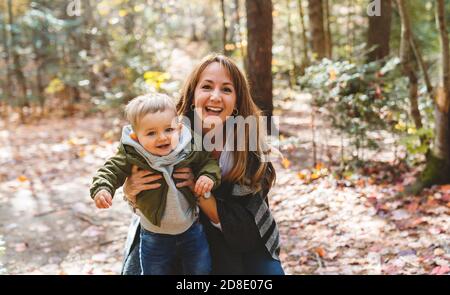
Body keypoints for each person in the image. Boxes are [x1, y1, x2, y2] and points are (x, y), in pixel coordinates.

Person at [121, 54, 284, 275]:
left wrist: (199, 191)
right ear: (192, 95)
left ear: (237, 101)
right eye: (207, 87)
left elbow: (247, 229)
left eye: (226, 89)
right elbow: (137, 184)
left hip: (237, 230)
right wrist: (130, 191)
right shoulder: (166, 132)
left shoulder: (248, 148)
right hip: (169, 225)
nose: (215, 96)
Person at [90, 93, 221, 275]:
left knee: (200, 269)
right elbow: (110, 170)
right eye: (151, 133)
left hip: (191, 228)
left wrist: (208, 176)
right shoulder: (132, 153)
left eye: (169, 130)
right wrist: (102, 187)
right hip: (154, 234)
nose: (162, 138)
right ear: (136, 137)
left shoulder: (188, 146)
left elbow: (208, 162)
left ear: (179, 128)